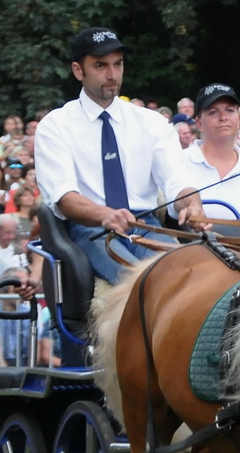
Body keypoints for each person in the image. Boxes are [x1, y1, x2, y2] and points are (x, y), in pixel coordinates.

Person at [33, 27, 199, 282]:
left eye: (117, 64)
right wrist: (105, 214)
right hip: (90, 229)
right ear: (78, 70)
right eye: (100, 65)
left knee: (186, 275)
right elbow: (64, 197)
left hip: (145, 224)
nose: (112, 75)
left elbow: (176, 180)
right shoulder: (55, 125)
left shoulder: (151, 122)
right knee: (136, 281)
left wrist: (191, 202)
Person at [174, 83, 240, 221]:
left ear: (238, 120)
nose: (223, 117)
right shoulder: (180, 161)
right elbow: (172, 206)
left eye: (230, 110)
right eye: (213, 112)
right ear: (199, 123)